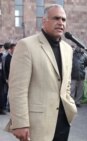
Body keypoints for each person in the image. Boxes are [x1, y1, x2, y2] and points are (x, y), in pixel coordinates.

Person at [5, 4, 77, 141]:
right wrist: (20, 123)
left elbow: (65, 84)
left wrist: (70, 106)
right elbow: (18, 89)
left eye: (63, 19)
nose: (61, 23)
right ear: (44, 21)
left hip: (63, 121)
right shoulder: (26, 45)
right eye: (56, 18)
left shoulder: (67, 49)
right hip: (37, 124)